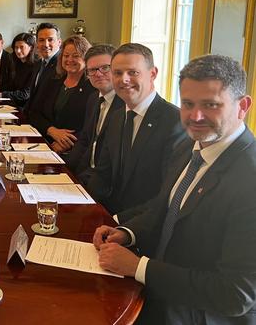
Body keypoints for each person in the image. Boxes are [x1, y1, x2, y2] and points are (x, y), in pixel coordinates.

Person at [94, 54, 256, 324]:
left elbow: (235, 294)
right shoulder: (190, 146)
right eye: (188, 104)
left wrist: (138, 267)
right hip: (158, 292)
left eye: (211, 105)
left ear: (243, 106)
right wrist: (127, 232)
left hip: (198, 314)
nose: (196, 116)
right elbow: (165, 208)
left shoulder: (249, 179)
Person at [87, 43, 186, 221]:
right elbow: (103, 174)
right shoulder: (117, 117)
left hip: (143, 225)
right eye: (117, 73)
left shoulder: (175, 122)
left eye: (133, 72)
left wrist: (119, 221)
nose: (124, 79)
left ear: (153, 74)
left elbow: (166, 196)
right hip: (108, 217)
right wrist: (84, 204)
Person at [66, 44, 124, 184]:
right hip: (84, 173)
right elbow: (85, 140)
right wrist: (66, 169)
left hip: (106, 183)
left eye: (105, 68)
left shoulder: (125, 104)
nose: (98, 74)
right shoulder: (93, 98)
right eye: (92, 70)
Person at [28, 35, 96, 153]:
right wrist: (51, 130)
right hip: (43, 143)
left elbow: (91, 127)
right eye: (66, 55)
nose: (69, 60)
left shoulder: (92, 88)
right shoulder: (53, 81)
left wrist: (66, 143)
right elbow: (34, 113)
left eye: (76, 56)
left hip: (73, 151)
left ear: (86, 58)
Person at [0, 32, 37, 107]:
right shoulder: (16, 63)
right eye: (16, 47)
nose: (18, 51)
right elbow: (12, 85)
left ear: (31, 47)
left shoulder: (36, 66)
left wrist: (0, 95)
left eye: (21, 47)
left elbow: (25, 94)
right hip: (14, 104)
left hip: (26, 107)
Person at [24, 23, 62, 121]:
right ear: (36, 43)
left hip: (48, 126)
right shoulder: (38, 64)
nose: (45, 44)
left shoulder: (62, 66)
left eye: (50, 40)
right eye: (41, 40)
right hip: (33, 121)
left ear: (59, 42)